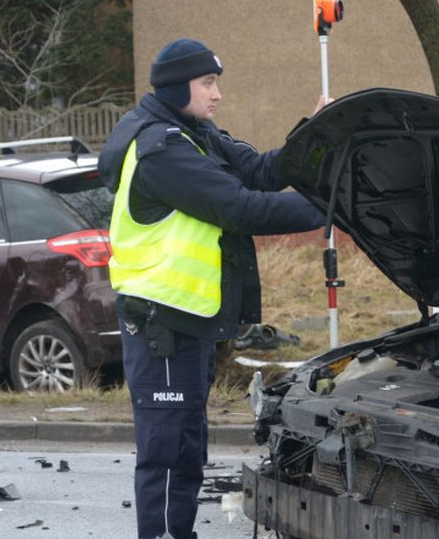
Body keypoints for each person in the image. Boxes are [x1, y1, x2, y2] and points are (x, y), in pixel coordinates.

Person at [98, 38, 326, 539]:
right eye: (208, 83)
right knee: (164, 449)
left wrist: (317, 135)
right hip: (160, 320)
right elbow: (240, 207)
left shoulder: (196, 133)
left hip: (191, 319)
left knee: (187, 444)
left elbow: (263, 171)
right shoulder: (162, 150)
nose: (217, 94)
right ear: (179, 86)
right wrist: (327, 211)